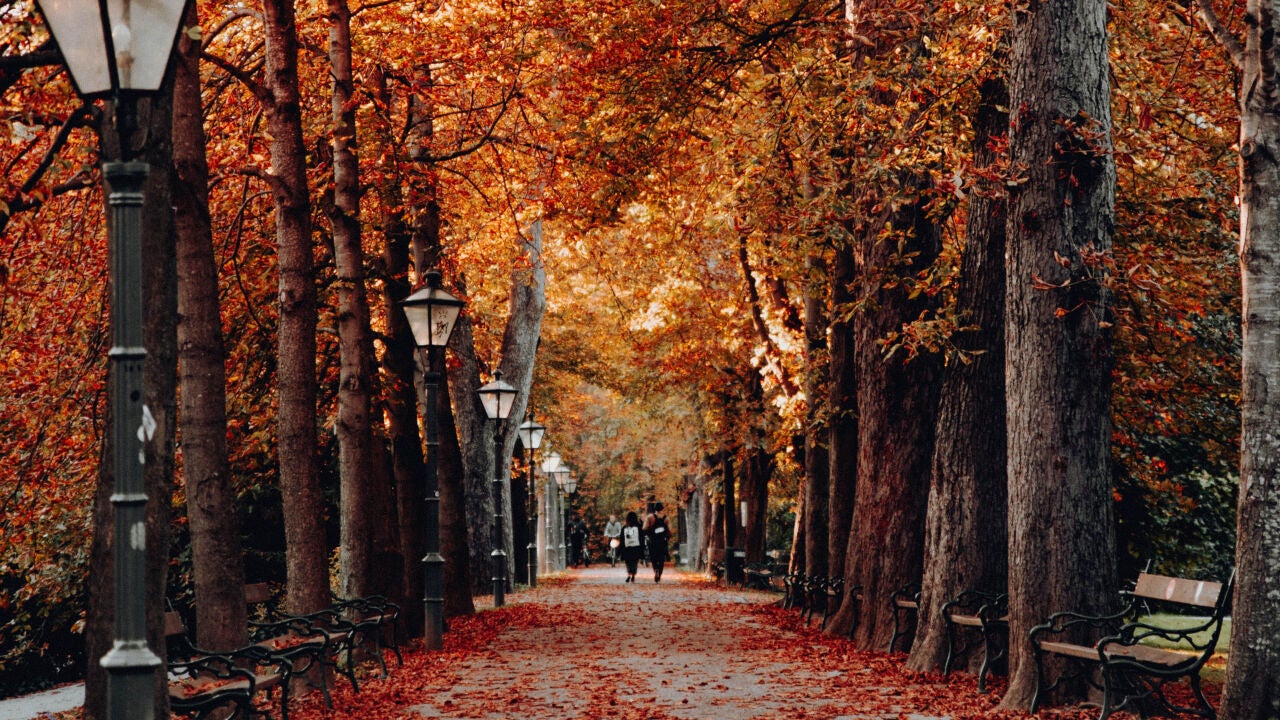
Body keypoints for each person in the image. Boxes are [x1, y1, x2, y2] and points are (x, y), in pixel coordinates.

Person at [643, 502, 671, 582]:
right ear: (662, 508)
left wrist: (648, 533)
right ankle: (660, 572)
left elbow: (644, 528)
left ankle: (655, 570)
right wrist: (667, 537)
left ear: (654, 508)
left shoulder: (650, 517)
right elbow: (670, 531)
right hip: (662, 541)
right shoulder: (666, 518)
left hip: (652, 541)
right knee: (661, 558)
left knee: (653, 557)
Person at [619, 511, 644, 582]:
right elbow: (641, 537)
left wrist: (621, 549)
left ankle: (629, 574)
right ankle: (633, 574)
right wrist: (642, 547)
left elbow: (622, 539)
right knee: (634, 562)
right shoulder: (638, 526)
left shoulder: (624, 527)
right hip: (636, 547)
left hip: (627, 548)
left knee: (628, 562)